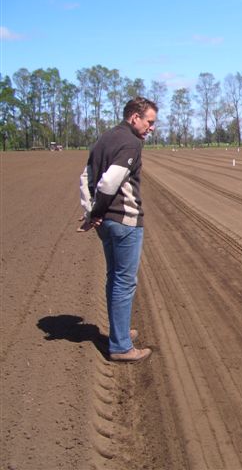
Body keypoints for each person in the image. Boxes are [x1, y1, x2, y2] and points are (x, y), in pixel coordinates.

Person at [78, 97, 158, 362]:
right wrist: (97, 211)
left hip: (106, 223)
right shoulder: (131, 142)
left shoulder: (105, 138)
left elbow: (86, 178)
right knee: (124, 283)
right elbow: (110, 182)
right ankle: (121, 346)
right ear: (134, 117)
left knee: (115, 279)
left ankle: (120, 333)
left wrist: (92, 212)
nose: (151, 128)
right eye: (149, 122)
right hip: (124, 221)